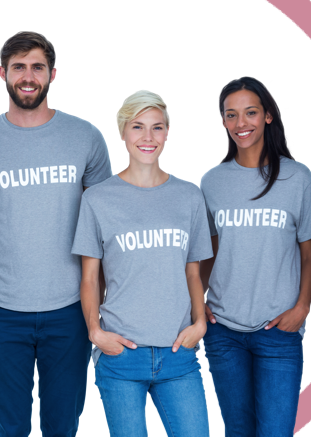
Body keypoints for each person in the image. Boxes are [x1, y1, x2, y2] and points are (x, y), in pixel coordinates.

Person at [0, 31, 112, 436]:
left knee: (63, 425)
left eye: (37, 67)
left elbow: (106, 228)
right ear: (2, 73)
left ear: (52, 74)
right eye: (19, 67)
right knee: (9, 427)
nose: (28, 76)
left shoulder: (86, 138)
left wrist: (101, 301)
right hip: (1, 311)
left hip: (71, 310)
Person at [72, 89, 213, 437]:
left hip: (179, 353)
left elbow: (192, 271)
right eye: (138, 127)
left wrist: (200, 324)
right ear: (123, 133)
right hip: (121, 355)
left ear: (167, 133)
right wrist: (95, 332)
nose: (148, 137)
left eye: (157, 127)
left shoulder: (190, 196)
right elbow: (90, 278)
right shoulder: (97, 199)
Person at [199, 76, 311, 437]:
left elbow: (310, 255)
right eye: (231, 115)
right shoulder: (211, 181)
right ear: (222, 121)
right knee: (238, 431)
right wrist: (198, 302)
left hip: (278, 331)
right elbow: (208, 252)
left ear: (267, 115)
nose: (241, 124)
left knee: (275, 432)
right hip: (222, 331)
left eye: (250, 113)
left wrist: (302, 308)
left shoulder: (298, 178)